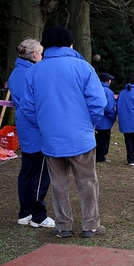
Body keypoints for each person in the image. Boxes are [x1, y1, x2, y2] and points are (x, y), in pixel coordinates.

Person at [20, 26, 107, 238]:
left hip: (50, 138)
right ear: (70, 44)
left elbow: (27, 107)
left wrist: (43, 125)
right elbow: (98, 102)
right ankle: (91, 225)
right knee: (87, 181)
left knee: (58, 183)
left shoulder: (33, 71)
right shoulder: (83, 67)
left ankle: (63, 225)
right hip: (81, 137)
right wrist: (89, 124)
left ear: (45, 46)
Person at [8, 38, 55, 228]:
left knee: (28, 172)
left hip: (28, 130)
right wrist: (46, 125)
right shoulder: (29, 74)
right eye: (41, 53)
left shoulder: (18, 73)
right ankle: (38, 215)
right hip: (35, 131)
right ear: (34, 55)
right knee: (40, 173)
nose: (42, 56)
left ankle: (26, 212)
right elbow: (31, 106)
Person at [95, 73, 117, 163]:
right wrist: (113, 117)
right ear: (108, 81)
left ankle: (96, 155)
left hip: (95, 120)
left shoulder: (95, 89)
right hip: (105, 121)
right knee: (104, 140)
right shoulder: (108, 92)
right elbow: (109, 107)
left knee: (97, 139)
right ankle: (100, 156)